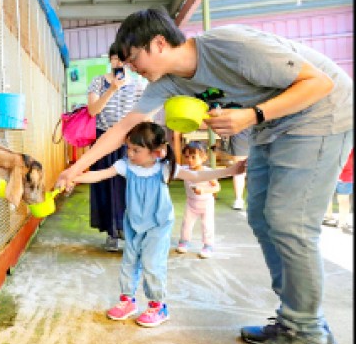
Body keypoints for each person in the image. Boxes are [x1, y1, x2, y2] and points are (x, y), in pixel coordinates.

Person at [56, 7, 353, 344]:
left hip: (320, 115)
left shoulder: (232, 46)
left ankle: (306, 336)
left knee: (289, 222)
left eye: (134, 59)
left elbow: (320, 83)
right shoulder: (166, 84)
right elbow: (122, 128)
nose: (132, 69)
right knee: (261, 218)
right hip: (272, 128)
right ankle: (299, 321)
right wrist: (75, 168)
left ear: (159, 43)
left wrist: (252, 115)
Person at [73, 122, 245, 327]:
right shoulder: (125, 166)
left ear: (157, 152)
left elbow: (197, 175)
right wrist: (74, 177)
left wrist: (230, 170)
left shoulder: (163, 169)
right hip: (134, 223)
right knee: (129, 262)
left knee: (152, 264)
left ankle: (158, 306)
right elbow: (99, 175)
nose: (130, 153)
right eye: (128, 148)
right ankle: (127, 301)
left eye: (136, 150)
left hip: (158, 224)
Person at [86, 42, 145, 251]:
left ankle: (129, 231)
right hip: (103, 140)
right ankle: (112, 233)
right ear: (109, 60)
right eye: (115, 58)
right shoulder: (98, 82)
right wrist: (112, 89)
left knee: (129, 188)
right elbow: (93, 111)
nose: (119, 62)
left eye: (123, 58)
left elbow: (143, 114)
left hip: (129, 141)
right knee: (106, 187)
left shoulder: (138, 84)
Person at [176, 141, 220, 258]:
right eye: (186, 157)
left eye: (193, 157)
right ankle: (184, 241)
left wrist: (203, 190)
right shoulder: (184, 170)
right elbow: (172, 169)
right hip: (191, 203)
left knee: (207, 225)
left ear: (204, 157)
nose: (189, 160)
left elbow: (217, 187)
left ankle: (208, 245)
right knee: (186, 223)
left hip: (206, 204)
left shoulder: (207, 172)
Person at [323, 148, 353, 230]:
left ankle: (328, 217)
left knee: (328, 196)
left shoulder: (336, 142)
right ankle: (342, 222)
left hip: (331, 173)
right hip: (346, 176)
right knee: (344, 200)